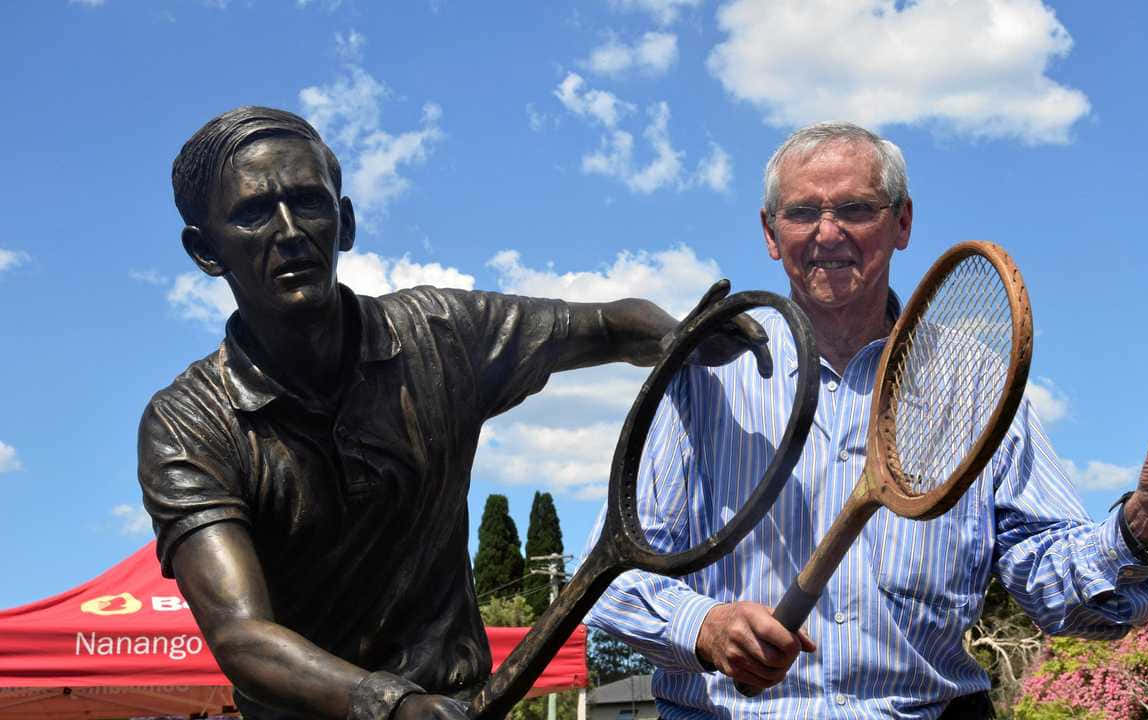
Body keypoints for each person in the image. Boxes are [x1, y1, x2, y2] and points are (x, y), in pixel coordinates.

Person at [583, 122, 1148, 719]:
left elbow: (1051, 590)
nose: (827, 233)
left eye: (856, 209)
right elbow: (603, 578)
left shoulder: (976, 382)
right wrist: (701, 625)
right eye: (802, 212)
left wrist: (1139, 529)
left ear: (902, 223)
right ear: (769, 233)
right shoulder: (703, 377)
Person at [136, 106, 768, 720]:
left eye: (308, 201)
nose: (289, 229)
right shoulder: (189, 423)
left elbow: (608, 322)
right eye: (251, 214)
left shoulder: (439, 334)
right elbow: (242, 635)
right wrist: (395, 706)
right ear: (204, 250)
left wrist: (679, 336)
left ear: (346, 222)